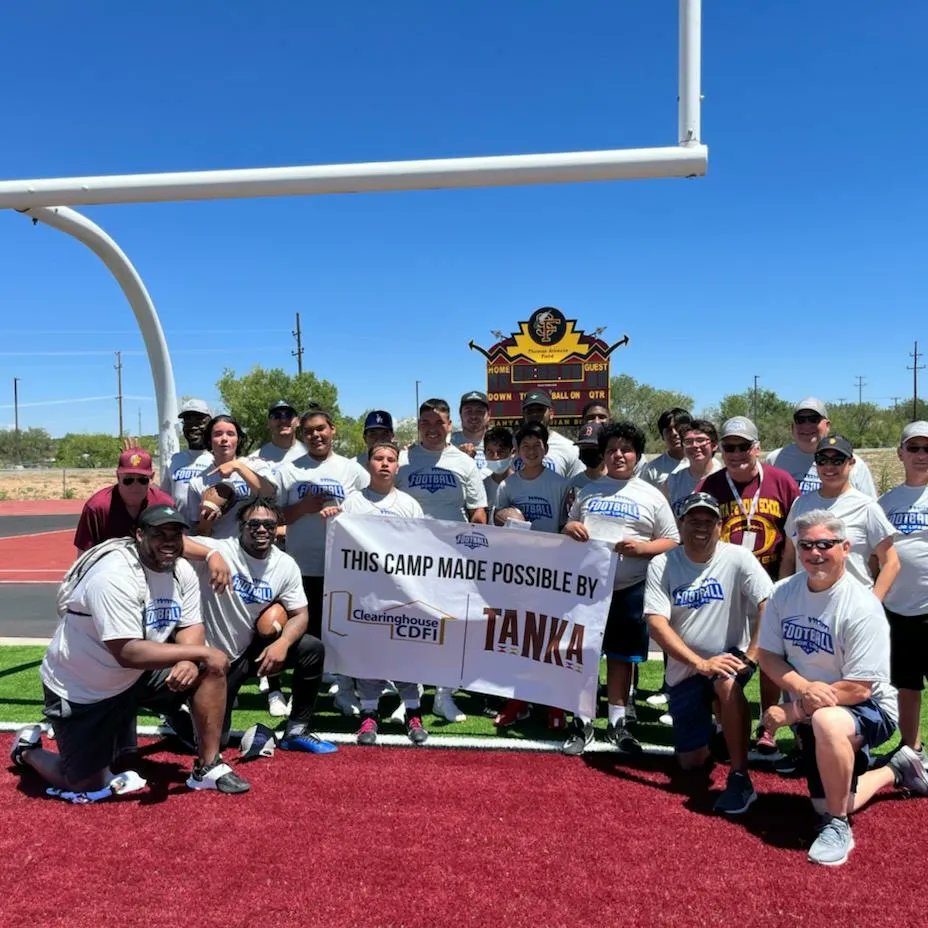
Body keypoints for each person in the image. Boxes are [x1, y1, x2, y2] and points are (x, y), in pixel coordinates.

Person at [10, 504, 250, 799]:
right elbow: (127, 652)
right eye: (158, 534)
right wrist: (201, 652)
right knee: (85, 783)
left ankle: (208, 767)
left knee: (210, 668)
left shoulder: (182, 571)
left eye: (175, 534)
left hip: (137, 676)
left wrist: (190, 657)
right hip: (84, 688)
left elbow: (191, 624)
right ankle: (27, 751)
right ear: (138, 535)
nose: (168, 542)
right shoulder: (112, 576)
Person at [758, 510, 927, 867]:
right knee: (826, 796)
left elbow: (859, 688)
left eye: (825, 544)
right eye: (806, 545)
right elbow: (769, 655)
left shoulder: (863, 606)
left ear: (846, 548)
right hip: (815, 703)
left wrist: (794, 710)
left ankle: (837, 827)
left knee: (829, 723)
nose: (815, 552)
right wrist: (803, 688)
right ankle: (893, 769)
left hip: (869, 708)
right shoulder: (782, 594)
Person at [644, 492, 773, 814]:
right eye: (693, 520)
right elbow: (656, 623)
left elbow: (768, 603)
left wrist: (752, 657)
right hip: (686, 666)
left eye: (708, 521)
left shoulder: (738, 557)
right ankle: (720, 733)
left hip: (729, 656)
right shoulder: (664, 562)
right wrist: (699, 663)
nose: (700, 527)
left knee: (725, 682)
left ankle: (740, 776)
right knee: (691, 763)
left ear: (720, 526)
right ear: (681, 524)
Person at [561, 420, 679, 755]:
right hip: (588, 588)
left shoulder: (651, 495)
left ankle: (617, 722)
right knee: (583, 655)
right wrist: (571, 526)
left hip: (630, 588)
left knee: (621, 657)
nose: (618, 455)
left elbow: (672, 540)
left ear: (637, 456)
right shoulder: (589, 490)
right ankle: (582, 721)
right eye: (612, 449)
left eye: (625, 449)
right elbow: (570, 524)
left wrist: (643, 549)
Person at [183, 497, 337, 755]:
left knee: (312, 649)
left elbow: (300, 614)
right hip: (214, 660)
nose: (262, 529)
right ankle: (182, 710)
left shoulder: (285, 564)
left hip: (250, 650)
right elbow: (173, 543)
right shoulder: (221, 548)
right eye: (253, 524)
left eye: (269, 524)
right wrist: (210, 555)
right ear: (240, 527)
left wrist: (283, 644)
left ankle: (296, 731)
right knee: (214, 742)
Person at [696, 416, 800, 756]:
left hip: (773, 584)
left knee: (772, 658)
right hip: (725, 588)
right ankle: (723, 720)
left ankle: (768, 726)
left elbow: (795, 534)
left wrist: (788, 580)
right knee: (722, 654)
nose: (737, 453)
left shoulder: (781, 482)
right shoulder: (711, 485)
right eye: (729, 447)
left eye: (744, 446)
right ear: (720, 449)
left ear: (757, 448)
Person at [321, 442, 430, 745]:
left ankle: (412, 712)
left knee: (405, 655)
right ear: (369, 464)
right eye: (378, 458)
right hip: (365, 594)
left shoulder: (409, 504)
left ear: (398, 466)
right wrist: (332, 517)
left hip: (401, 593)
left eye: (391, 460)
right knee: (369, 655)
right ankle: (369, 715)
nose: (384, 464)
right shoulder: (352, 503)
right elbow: (340, 542)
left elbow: (423, 548)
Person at [398, 398, 488, 722]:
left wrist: (475, 552)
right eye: (427, 423)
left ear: (450, 426)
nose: (433, 429)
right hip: (408, 558)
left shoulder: (463, 462)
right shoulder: (402, 460)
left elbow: (479, 512)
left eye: (440, 423)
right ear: (418, 425)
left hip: (452, 559)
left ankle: (444, 695)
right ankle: (410, 694)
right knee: (411, 626)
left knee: (451, 629)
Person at [276, 407, 369, 715]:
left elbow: (369, 514)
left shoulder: (353, 470)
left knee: (344, 634)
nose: (316, 435)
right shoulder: (290, 469)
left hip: (342, 567)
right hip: (301, 565)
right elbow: (275, 516)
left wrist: (343, 513)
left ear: (333, 430)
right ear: (302, 436)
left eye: (321, 429)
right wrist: (302, 507)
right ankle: (303, 697)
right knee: (306, 638)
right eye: (309, 431)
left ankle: (345, 692)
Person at [492, 422, 570, 730]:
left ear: (545, 450)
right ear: (518, 451)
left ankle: (555, 704)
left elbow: (568, 525)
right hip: (519, 572)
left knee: (552, 639)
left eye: (536, 446)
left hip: (553, 570)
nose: (531, 451)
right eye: (525, 446)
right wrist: (502, 516)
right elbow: (497, 524)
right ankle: (519, 701)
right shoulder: (508, 486)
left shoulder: (560, 483)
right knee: (522, 640)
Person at [780, 435, 899, 599]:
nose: (829, 466)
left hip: (852, 603)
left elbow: (891, 562)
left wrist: (873, 603)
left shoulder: (867, 507)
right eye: (822, 460)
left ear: (851, 463)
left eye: (837, 460)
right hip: (806, 603)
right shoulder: (800, 504)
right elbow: (789, 558)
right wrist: (784, 597)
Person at [878, 421, 928, 765]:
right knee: (906, 686)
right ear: (901, 453)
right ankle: (913, 752)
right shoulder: (886, 501)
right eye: (914, 448)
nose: (921, 455)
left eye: (927, 449)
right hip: (897, 609)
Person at [185, 415, 276, 539]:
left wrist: (238, 466)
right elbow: (199, 533)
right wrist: (206, 523)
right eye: (218, 434)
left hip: (254, 548)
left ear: (238, 440)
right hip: (220, 549)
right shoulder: (198, 482)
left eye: (230, 434)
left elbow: (269, 494)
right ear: (209, 440)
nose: (224, 439)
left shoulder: (256, 466)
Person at [766, 398, 877, 497]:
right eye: (800, 420)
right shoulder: (775, 459)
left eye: (814, 419)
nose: (807, 426)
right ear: (792, 427)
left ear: (827, 425)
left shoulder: (851, 463)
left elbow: (868, 508)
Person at [74, 447, 175, 552]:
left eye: (142, 480)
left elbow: (176, 545)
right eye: (128, 480)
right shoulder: (97, 508)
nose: (135, 486)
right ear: (118, 477)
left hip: (155, 565)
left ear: (152, 478)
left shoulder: (165, 505)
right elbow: (84, 555)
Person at [161, 398, 214, 511]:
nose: (193, 427)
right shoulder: (173, 461)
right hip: (180, 528)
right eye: (188, 421)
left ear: (211, 424)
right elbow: (164, 498)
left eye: (199, 421)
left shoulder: (218, 460)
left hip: (211, 528)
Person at [518, 390, 583, 478]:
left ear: (551, 414)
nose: (535, 414)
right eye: (530, 411)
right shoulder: (511, 447)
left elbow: (577, 486)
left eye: (540, 410)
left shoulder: (569, 448)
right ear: (524, 415)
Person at [665, 419, 722, 514]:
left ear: (714, 445)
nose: (695, 445)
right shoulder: (672, 481)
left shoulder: (726, 478)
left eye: (701, 440)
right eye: (688, 441)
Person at [641, 408, 692, 489]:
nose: (674, 433)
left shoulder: (707, 463)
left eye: (678, 428)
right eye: (669, 430)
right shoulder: (652, 469)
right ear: (662, 436)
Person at [256, 400, 305, 468]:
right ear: (268, 423)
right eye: (277, 416)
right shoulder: (255, 459)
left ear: (298, 422)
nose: (283, 420)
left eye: (289, 415)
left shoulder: (311, 453)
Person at [451, 390, 491, 471]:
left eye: (479, 411)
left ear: (488, 415)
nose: (473, 416)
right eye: (468, 411)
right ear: (460, 414)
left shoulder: (500, 443)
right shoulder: (448, 443)